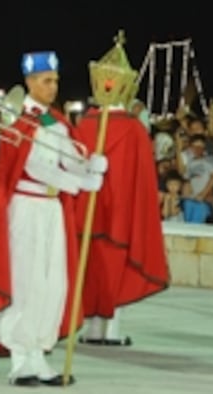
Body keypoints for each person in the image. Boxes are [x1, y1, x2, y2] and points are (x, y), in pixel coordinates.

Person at [0, 51, 100, 386]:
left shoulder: (57, 121)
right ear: (30, 82)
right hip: (28, 206)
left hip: (52, 209)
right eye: (47, 81)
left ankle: (38, 354)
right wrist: (78, 184)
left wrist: (90, 166)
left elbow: (69, 158)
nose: (53, 87)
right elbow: (35, 166)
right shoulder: (18, 121)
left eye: (56, 80)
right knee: (27, 280)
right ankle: (20, 358)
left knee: (52, 282)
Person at [72, 89, 168, 346]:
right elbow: (144, 176)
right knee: (117, 268)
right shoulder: (134, 128)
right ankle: (111, 330)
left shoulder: (85, 124)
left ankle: (92, 328)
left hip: (90, 208)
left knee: (92, 267)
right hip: (121, 212)